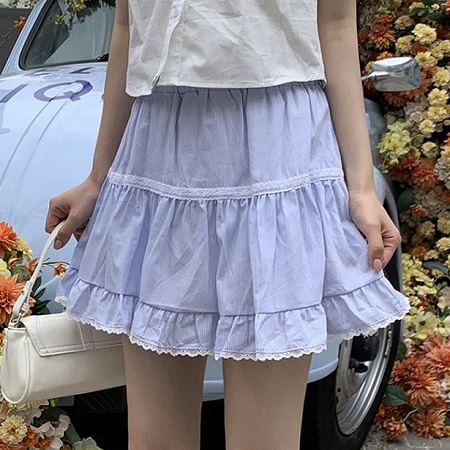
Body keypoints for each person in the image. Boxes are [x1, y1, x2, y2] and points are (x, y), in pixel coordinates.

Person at [45, 0, 411, 448]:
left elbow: (335, 24)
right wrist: (98, 177)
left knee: (264, 440)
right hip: (158, 150)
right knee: (155, 439)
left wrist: (361, 188)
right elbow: (127, 25)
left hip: (275, 151)